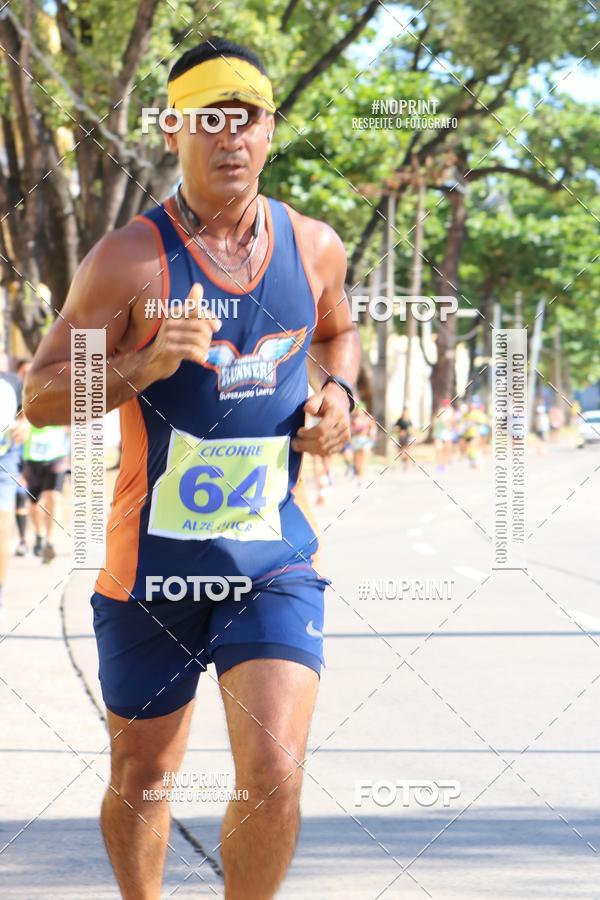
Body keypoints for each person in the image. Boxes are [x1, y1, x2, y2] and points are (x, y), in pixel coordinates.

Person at [24, 38, 360, 900]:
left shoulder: (314, 246)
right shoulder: (129, 261)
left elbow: (335, 333)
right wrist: (139, 365)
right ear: (173, 129)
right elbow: (40, 395)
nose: (229, 137)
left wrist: (342, 398)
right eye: (207, 119)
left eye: (244, 117)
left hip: (272, 561)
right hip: (151, 572)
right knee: (142, 776)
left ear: (271, 129)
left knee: (276, 769)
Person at [0, 355, 28, 616]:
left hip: (4, 457)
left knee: (2, 525)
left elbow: (25, 413)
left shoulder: (11, 382)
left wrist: (25, 424)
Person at [21, 424, 69, 563]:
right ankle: (40, 534)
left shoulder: (62, 402)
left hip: (57, 455)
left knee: (53, 497)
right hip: (32, 457)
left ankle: (50, 541)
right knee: (34, 504)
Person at [13, 358, 31, 555]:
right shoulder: (11, 388)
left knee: (20, 500)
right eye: (23, 373)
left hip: (23, 457)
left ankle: (24, 540)